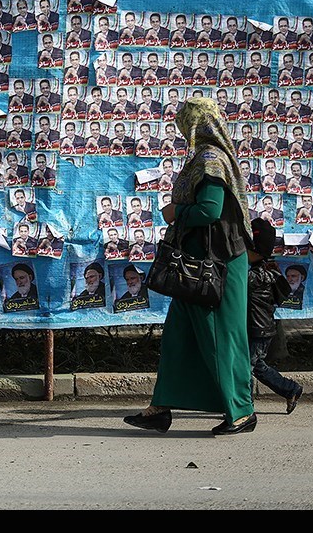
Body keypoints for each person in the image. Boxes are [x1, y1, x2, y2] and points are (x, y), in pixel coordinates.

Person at [124, 97, 257, 435]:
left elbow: (210, 210)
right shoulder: (202, 158)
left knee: (221, 338)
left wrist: (175, 213)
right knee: (178, 337)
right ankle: (160, 409)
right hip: (195, 266)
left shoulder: (211, 160)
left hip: (219, 265)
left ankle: (241, 412)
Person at [246, 218, 304, 413]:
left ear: (256, 252)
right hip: (260, 328)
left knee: (247, 368)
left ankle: (245, 407)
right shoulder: (267, 271)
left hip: (258, 329)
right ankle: (290, 389)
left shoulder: (256, 276)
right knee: (256, 365)